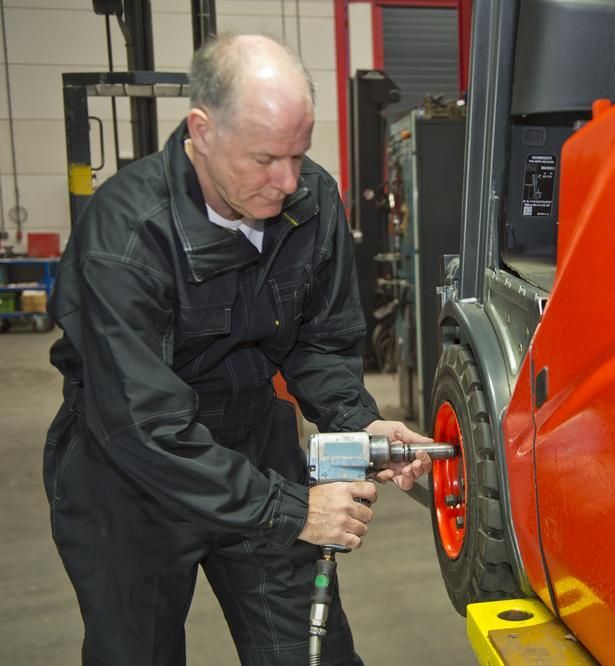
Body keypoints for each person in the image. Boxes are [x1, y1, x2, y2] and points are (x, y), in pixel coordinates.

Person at [42, 33, 431, 665]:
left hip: (253, 439)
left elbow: (319, 340)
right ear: (202, 130)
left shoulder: (310, 201)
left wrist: (358, 424)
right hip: (128, 476)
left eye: (299, 155)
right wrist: (291, 508)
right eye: (265, 158)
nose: (288, 181)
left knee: (311, 653)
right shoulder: (125, 234)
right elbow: (143, 426)